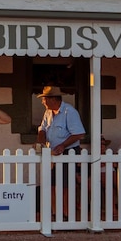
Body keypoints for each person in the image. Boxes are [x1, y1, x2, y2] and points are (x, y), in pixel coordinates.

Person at [36, 86, 86, 219]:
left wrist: (63, 145)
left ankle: (66, 214)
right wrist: (40, 142)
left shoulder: (69, 112)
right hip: (52, 152)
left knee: (65, 185)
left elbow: (79, 133)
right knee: (51, 184)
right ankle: (54, 212)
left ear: (53, 99)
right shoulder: (48, 112)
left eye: (44, 99)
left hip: (68, 151)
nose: (43, 102)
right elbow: (42, 129)